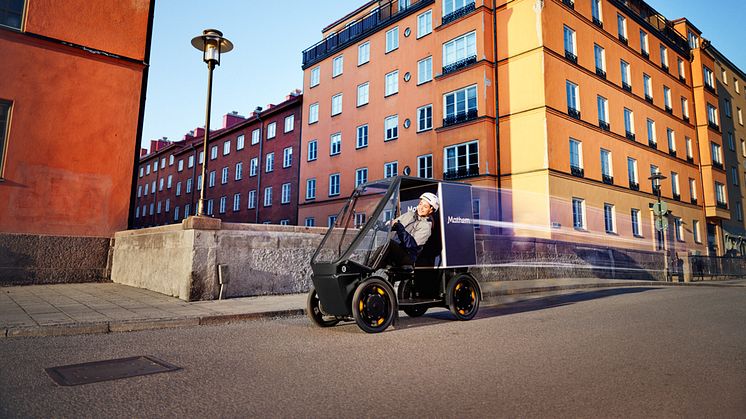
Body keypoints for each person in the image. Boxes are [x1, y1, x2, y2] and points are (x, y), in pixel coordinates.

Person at [375, 192, 439, 269]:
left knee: (389, 244)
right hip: (397, 250)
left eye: (425, 207)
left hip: (408, 256)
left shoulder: (426, 226)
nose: (421, 208)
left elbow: (411, 245)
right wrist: (380, 225)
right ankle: (367, 274)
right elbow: (393, 224)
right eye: (420, 204)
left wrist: (400, 229)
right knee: (376, 249)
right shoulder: (409, 215)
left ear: (431, 210)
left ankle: (368, 270)